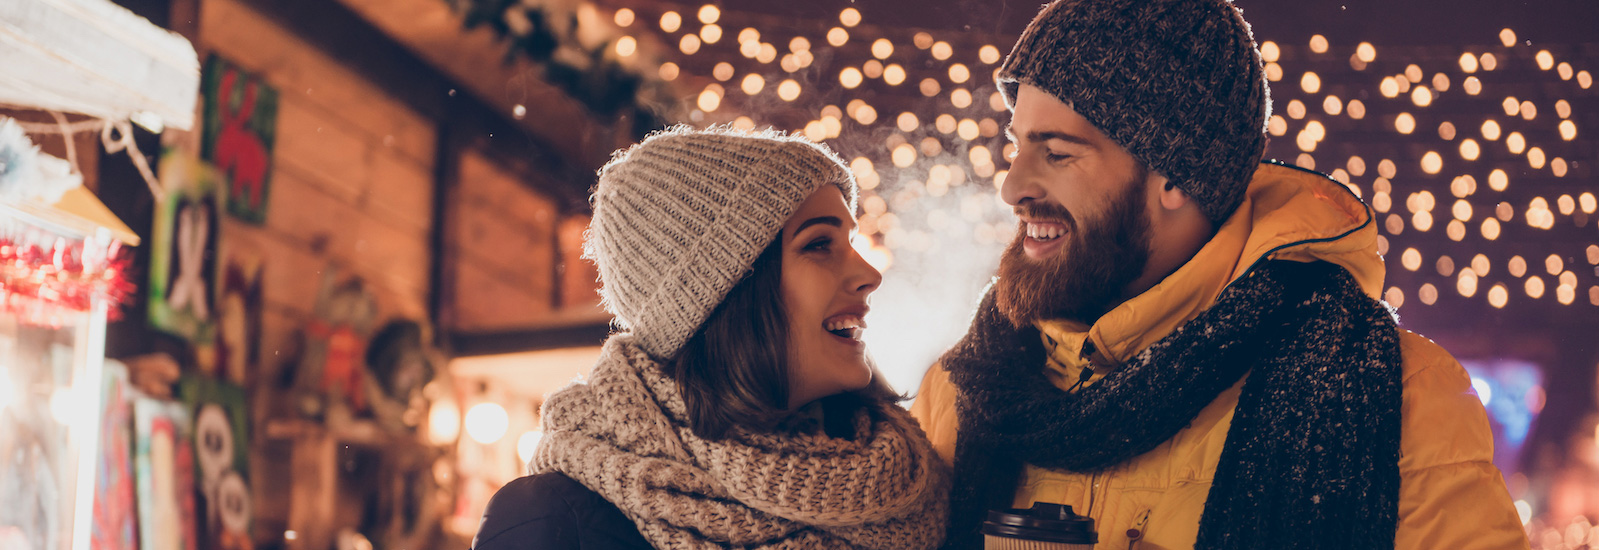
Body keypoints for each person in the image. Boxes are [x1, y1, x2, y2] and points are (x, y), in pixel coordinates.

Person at [908, 0, 1530, 549]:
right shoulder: (964, 391)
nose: (1013, 186)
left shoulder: (1394, 396)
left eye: (1058, 152)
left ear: (1174, 174)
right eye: (1016, 146)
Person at [473, 126, 948, 550]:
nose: (869, 273)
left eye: (851, 241)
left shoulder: (917, 488)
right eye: (820, 244)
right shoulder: (554, 523)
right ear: (725, 295)